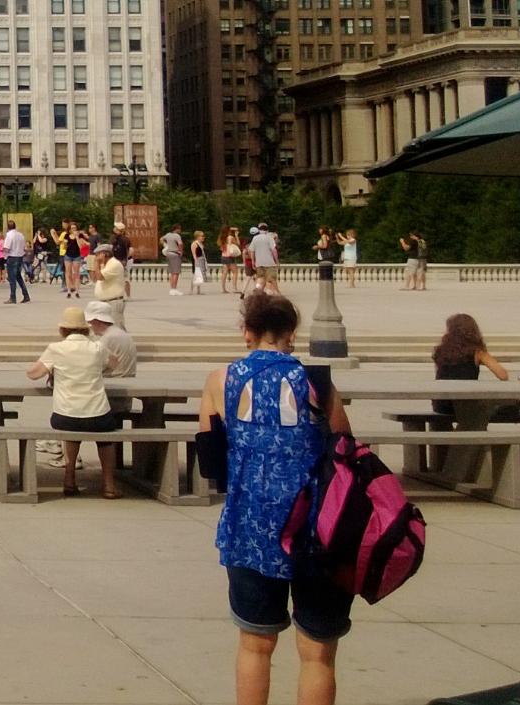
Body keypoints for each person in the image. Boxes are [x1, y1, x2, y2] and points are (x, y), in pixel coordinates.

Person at [197, 292, 353, 705]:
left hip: (250, 529)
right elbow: (346, 449)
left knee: (255, 643)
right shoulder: (317, 382)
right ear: (292, 334)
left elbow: (211, 462)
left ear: (247, 333)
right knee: (318, 652)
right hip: (318, 531)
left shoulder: (221, 380)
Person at [26, 308, 120, 498]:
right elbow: (114, 363)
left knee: (71, 429)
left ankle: (69, 478)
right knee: (106, 437)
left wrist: (53, 371)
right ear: (85, 329)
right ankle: (109, 484)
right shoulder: (97, 348)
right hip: (98, 415)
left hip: (65, 416)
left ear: (63, 330)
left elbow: (33, 374)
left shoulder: (56, 349)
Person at [431, 313, 517, 417]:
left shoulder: (441, 351)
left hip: (441, 405)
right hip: (465, 404)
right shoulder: (477, 352)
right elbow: (503, 375)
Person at [87, 299, 139, 399]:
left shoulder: (107, 339)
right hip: (126, 384)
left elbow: (96, 366)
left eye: (90, 323)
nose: (89, 327)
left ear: (96, 321)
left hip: (113, 391)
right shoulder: (121, 333)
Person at [96, 253, 128, 325]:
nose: (97, 257)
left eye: (97, 255)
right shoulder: (106, 265)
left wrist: (96, 263)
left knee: (117, 327)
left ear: (104, 254)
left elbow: (100, 277)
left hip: (113, 302)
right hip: (107, 301)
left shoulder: (114, 264)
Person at [4, 219, 31, 304]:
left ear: (7, 227)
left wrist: (3, 250)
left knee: (12, 278)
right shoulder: (20, 235)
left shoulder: (9, 236)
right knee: (18, 277)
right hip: (20, 257)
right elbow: (23, 247)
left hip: (12, 257)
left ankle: (13, 297)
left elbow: (7, 248)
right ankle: (26, 295)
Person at [249, 226, 280, 294]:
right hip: (269, 262)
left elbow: (252, 251)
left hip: (259, 262)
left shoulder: (255, 238)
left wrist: (253, 261)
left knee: (260, 278)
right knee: (271, 278)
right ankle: (276, 292)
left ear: (259, 230)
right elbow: (274, 250)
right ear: (267, 231)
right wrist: (277, 261)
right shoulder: (269, 238)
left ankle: (258, 289)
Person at [163, 224, 185, 296]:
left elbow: (161, 239)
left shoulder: (168, 234)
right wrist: (181, 251)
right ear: (176, 229)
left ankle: (171, 289)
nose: (180, 230)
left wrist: (165, 245)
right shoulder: (177, 236)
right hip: (175, 253)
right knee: (176, 272)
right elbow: (180, 244)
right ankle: (174, 289)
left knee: (172, 272)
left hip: (168, 253)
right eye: (180, 229)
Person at [221, 228, 243, 296]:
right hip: (230, 257)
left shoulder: (223, 238)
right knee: (235, 272)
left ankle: (223, 289)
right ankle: (234, 288)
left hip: (224, 256)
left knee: (224, 272)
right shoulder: (231, 237)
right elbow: (238, 244)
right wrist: (236, 236)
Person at [191, 231, 210, 296]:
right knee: (197, 275)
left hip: (202, 260)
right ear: (197, 237)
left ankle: (198, 290)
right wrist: (196, 262)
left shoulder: (201, 243)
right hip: (198, 260)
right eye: (202, 236)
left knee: (200, 276)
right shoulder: (194, 244)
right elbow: (193, 254)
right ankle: (192, 290)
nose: (203, 237)